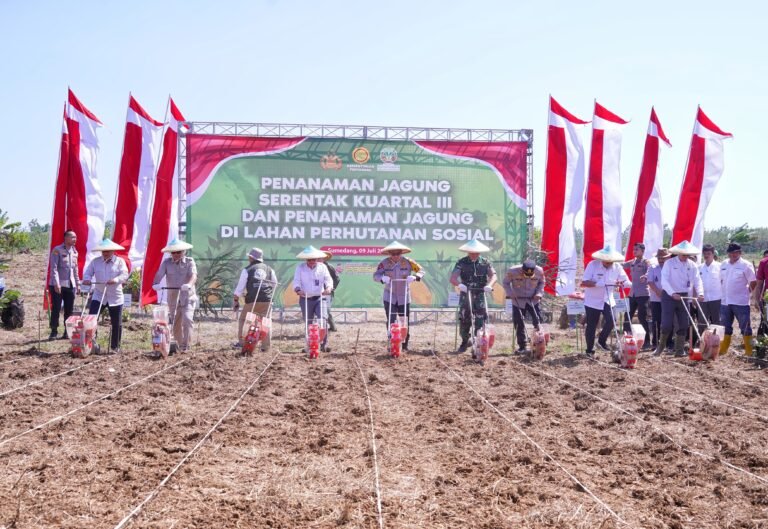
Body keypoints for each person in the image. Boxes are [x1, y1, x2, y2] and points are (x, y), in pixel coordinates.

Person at [373, 241, 424, 352]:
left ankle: (404, 344)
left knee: (404, 320)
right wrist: (382, 278)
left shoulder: (409, 262)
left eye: (397, 253)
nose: (395, 256)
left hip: (404, 296)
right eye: (393, 254)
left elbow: (421, 270)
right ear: (389, 254)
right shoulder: (384, 263)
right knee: (391, 320)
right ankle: (391, 341)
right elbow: (376, 275)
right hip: (389, 295)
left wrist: (415, 277)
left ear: (401, 253)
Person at [580, 246, 631, 357]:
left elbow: (625, 280)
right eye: (607, 261)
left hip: (608, 299)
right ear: (602, 259)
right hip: (592, 300)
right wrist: (598, 284)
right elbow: (585, 282)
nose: (609, 263)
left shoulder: (617, 267)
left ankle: (601, 341)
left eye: (611, 261)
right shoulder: (592, 265)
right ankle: (589, 349)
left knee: (612, 320)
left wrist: (625, 283)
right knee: (591, 325)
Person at [657, 240, 704, 357]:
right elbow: (664, 281)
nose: (685, 256)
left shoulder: (692, 265)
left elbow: (697, 280)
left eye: (687, 254)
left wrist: (700, 293)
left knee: (684, 324)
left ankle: (679, 350)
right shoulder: (669, 263)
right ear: (678, 253)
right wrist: (672, 293)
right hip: (669, 295)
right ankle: (660, 347)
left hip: (684, 296)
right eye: (683, 254)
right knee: (667, 324)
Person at [81, 239, 129, 354]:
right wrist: (87, 279)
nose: (105, 253)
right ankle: (91, 343)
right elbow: (88, 273)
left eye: (107, 251)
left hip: (115, 297)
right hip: (99, 294)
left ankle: (115, 347)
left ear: (113, 251)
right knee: (92, 319)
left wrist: (116, 279)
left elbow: (125, 274)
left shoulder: (120, 262)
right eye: (103, 251)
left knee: (116, 322)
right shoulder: (95, 262)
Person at [449, 239, 497, 354]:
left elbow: (494, 276)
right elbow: (453, 278)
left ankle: (478, 341)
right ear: (468, 252)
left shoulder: (485, 262)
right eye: (471, 252)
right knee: (465, 318)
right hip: (466, 293)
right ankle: (465, 341)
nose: (474, 254)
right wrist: (459, 284)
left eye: (476, 252)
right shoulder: (461, 262)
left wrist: (489, 285)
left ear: (479, 252)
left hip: (480, 293)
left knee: (481, 319)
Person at [152, 239, 197, 353]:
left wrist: (189, 284)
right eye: (174, 252)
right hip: (173, 297)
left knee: (187, 319)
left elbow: (194, 275)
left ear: (184, 252)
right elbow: (159, 274)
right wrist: (155, 283)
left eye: (179, 252)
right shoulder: (166, 263)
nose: (176, 254)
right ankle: (178, 344)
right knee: (175, 323)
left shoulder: (189, 261)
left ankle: (186, 345)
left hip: (187, 297)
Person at [233, 247, 277, 351]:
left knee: (245, 320)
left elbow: (239, 288)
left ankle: (243, 343)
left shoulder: (247, 269)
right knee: (266, 322)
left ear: (251, 257)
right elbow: (275, 283)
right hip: (267, 299)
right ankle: (266, 347)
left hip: (252, 300)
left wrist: (236, 300)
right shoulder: (269, 269)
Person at [719, 242, 757, 356]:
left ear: (740, 253)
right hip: (725, 301)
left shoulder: (746, 265)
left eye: (736, 253)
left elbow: (753, 282)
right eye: (731, 253)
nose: (733, 255)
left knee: (745, 327)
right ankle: (723, 350)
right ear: (728, 253)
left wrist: (747, 292)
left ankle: (749, 351)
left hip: (741, 302)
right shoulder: (724, 264)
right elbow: (721, 280)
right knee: (725, 326)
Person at [294, 245, 333, 352]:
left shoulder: (322, 267)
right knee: (308, 322)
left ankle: (324, 344)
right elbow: (296, 281)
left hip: (320, 297)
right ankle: (310, 344)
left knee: (323, 320)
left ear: (317, 259)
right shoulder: (300, 267)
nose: (312, 261)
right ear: (306, 259)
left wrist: (329, 287)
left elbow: (328, 279)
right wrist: (298, 289)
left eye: (314, 259)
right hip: (305, 298)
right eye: (309, 259)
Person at [503, 259, 544, 354]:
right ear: (522, 269)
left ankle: (539, 342)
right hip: (518, 299)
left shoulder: (539, 271)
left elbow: (542, 283)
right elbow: (505, 283)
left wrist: (539, 293)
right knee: (519, 323)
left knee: (538, 320)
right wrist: (510, 293)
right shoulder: (512, 271)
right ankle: (522, 346)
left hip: (533, 299)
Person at [47, 230, 80, 340]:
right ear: (66, 238)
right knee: (56, 308)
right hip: (58, 285)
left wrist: (78, 283)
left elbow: (75, 269)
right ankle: (54, 331)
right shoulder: (57, 250)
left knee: (69, 309)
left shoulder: (75, 252)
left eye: (75, 237)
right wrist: (56, 283)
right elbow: (54, 268)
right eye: (72, 237)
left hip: (70, 285)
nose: (74, 239)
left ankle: (67, 331)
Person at [622, 242, 652, 350]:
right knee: (627, 315)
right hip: (632, 293)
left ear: (642, 251)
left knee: (642, 317)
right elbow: (621, 265)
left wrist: (646, 276)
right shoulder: (632, 262)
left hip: (643, 294)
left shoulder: (646, 262)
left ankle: (647, 341)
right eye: (634, 249)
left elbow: (650, 271)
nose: (634, 251)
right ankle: (626, 338)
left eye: (637, 250)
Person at [647, 248, 672, 350]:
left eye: (663, 258)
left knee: (668, 320)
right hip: (655, 298)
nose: (661, 260)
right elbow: (650, 281)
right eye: (659, 258)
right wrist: (657, 291)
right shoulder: (653, 268)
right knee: (656, 320)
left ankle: (668, 342)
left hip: (669, 297)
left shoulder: (671, 268)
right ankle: (655, 343)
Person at [698, 244, 722, 331]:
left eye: (708, 253)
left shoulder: (720, 266)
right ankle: (703, 342)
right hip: (702, 299)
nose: (706, 255)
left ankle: (717, 342)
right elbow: (696, 283)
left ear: (713, 254)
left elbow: (723, 282)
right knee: (702, 322)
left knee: (717, 322)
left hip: (716, 299)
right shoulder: (699, 267)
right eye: (704, 253)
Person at [322, 251, 340, 332]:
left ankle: (333, 327)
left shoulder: (329, 267)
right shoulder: (315, 267)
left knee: (327, 310)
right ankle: (323, 327)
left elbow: (337, 279)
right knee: (321, 311)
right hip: (317, 292)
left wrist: (332, 288)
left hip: (327, 293)